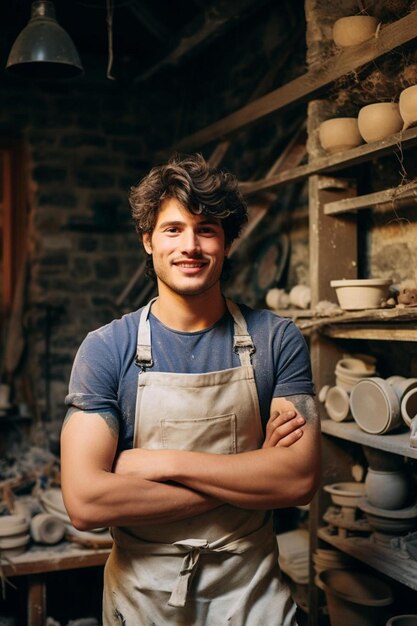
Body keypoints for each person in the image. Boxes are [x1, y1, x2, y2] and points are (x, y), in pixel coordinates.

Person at [61, 153, 321, 626]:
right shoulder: (106, 349)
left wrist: (159, 464)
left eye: (207, 230)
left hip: (252, 595)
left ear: (226, 243)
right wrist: (251, 478)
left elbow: (299, 481)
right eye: (173, 229)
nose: (191, 246)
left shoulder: (275, 339)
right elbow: (85, 502)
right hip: (143, 598)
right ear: (148, 240)